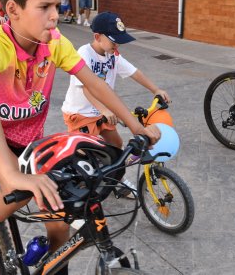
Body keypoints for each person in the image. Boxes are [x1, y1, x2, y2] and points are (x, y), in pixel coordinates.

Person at [0, 0, 160, 275]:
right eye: (45, 6)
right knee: (16, 192)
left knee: (59, 213)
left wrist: (136, 126)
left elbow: (96, 85)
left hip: (26, 137)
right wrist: (12, 175)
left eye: (57, 5)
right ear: (13, 9)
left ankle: (54, 266)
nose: (55, 14)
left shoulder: (55, 44)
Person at [61, 11, 170, 196]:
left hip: (102, 114)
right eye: (114, 41)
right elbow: (87, 87)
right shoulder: (84, 53)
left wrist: (155, 89)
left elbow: (134, 72)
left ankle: (116, 181)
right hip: (80, 114)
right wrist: (104, 109)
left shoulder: (113, 55)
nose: (117, 45)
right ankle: (76, 189)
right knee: (84, 155)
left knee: (116, 144)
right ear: (97, 37)